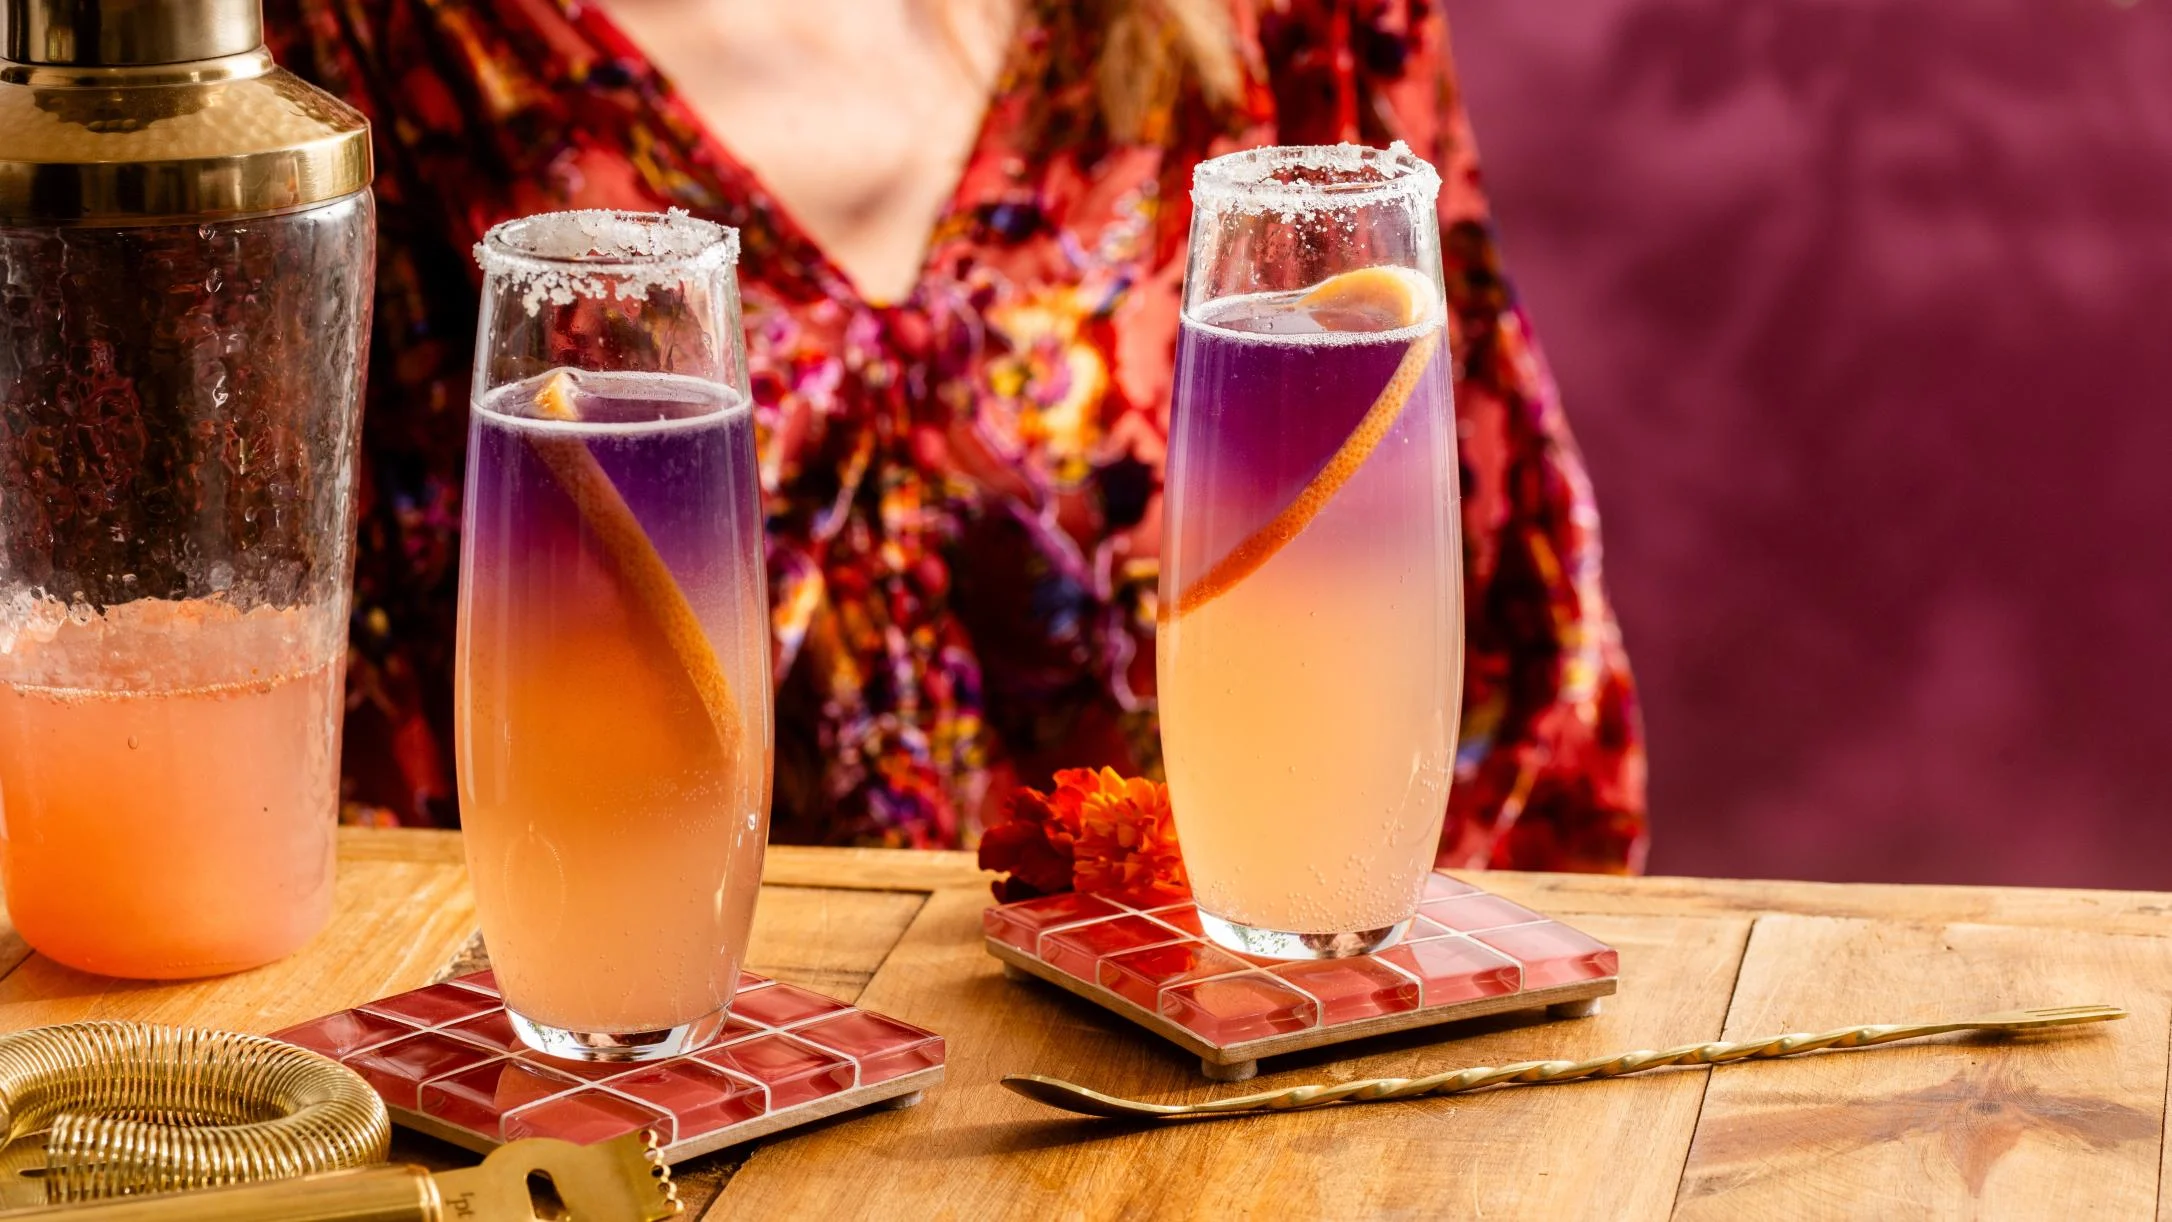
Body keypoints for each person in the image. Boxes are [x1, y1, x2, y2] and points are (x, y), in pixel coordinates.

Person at [265, 0, 1649, 871]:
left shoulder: (1294, 26)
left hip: (1208, 1074)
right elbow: (243, 682)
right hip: (628, 1107)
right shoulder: (319, 58)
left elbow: (1509, 670)